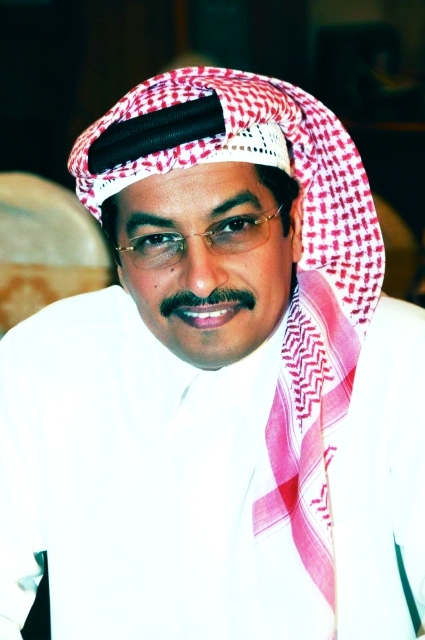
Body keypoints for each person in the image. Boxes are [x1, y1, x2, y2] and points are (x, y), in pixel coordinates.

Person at [0, 67, 424, 640]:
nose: (200, 279)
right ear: (120, 259)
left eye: (234, 227)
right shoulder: (46, 360)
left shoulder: (399, 362)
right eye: (156, 240)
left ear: (294, 226)